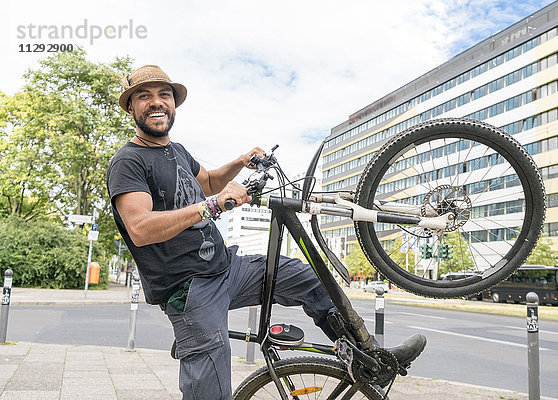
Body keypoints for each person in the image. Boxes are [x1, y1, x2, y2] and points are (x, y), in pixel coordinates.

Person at [106, 65, 426, 400]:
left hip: (226, 268)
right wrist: (211, 207)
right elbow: (140, 228)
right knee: (211, 384)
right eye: (145, 96)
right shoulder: (128, 161)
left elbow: (211, 181)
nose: (156, 102)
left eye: (164, 95)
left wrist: (240, 162)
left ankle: (369, 356)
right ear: (132, 107)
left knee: (308, 278)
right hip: (189, 289)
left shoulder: (177, 151)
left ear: (174, 104)